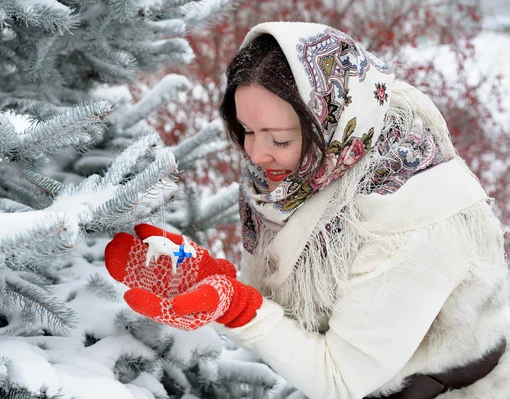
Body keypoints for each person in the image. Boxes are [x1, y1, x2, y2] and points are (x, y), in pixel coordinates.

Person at [105, 22, 509, 398]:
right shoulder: (309, 169)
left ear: (331, 118)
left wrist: (236, 307)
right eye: (246, 130)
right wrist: (217, 282)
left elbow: (340, 378)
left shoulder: (413, 216)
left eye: (277, 139)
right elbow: (285, 309)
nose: (255, 153)